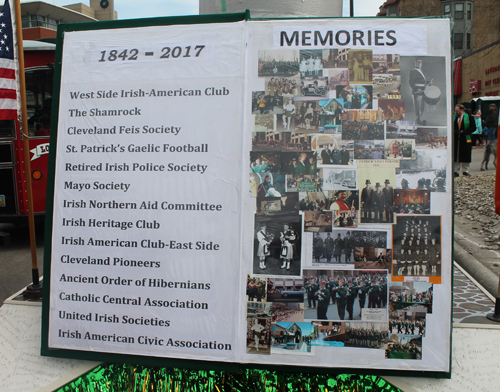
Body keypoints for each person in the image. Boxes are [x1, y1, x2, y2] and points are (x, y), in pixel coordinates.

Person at [453, 103, 476, 176]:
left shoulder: (469, 117)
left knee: (465, 155)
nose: (456, 112)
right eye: (455, 110)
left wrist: (465, 131)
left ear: (462, 110)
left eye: (457, 110)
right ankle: (456, 171)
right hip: (456, 139)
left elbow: (473, 127)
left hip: (466, 138)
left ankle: (465, 170)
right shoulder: (454, 117)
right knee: (456, 155)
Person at [408, 58, 430, 125]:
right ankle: (419, 118)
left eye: (420, 62)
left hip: (423, 91)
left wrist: (428, 82)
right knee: (418, 106)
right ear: (415, 63)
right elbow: (411, 82)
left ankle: (421, 118)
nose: (419, 64)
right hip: (417, 91)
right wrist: (416, 89)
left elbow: (422, 81)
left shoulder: (420, 71)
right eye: (418, 62)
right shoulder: (413, 71)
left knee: (422, 105)